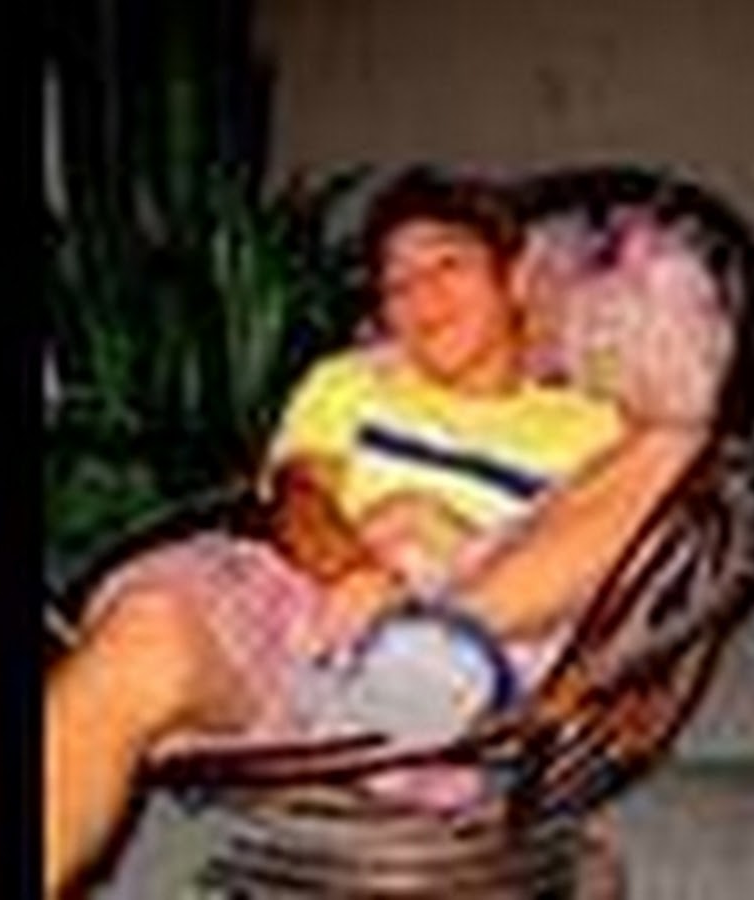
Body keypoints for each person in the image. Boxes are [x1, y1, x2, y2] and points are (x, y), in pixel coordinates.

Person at [45, 169, 705, 898]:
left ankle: (421, 659)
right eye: (396, 284)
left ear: (516, 278)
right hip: (315, 617)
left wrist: (445, 548)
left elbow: (630, 557)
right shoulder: (353, 381)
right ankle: (398, 681)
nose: (419, 295)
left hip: (494, 636)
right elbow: (299, 499)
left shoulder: (594, 423)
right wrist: (355, 568)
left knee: (675, 445)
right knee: (143, 629)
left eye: (447, 263)